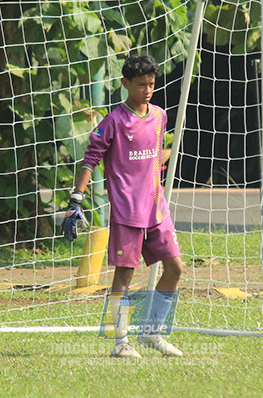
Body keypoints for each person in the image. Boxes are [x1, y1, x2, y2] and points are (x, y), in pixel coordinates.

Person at [62, 54, 184, 359]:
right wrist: (76, 198)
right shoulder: (113, 121)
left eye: (151, 84)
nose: (147, 90)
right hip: (128, 214)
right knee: (124, 278)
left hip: (157, 210)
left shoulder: (160, 116)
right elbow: (91, 159)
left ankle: (152, 332)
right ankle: (120, 343)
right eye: (141, 84)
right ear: (125, 84)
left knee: (175, 267)